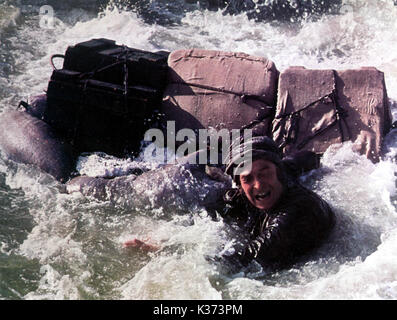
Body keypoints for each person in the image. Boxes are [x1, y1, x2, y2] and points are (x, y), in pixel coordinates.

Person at [210, 135, 336, 272]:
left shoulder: (296, 212)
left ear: (278, 172)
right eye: (247, 178)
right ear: (239, 185)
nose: (258, 185)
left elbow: (246, 260)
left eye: (264, 174)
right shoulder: (243, 194)